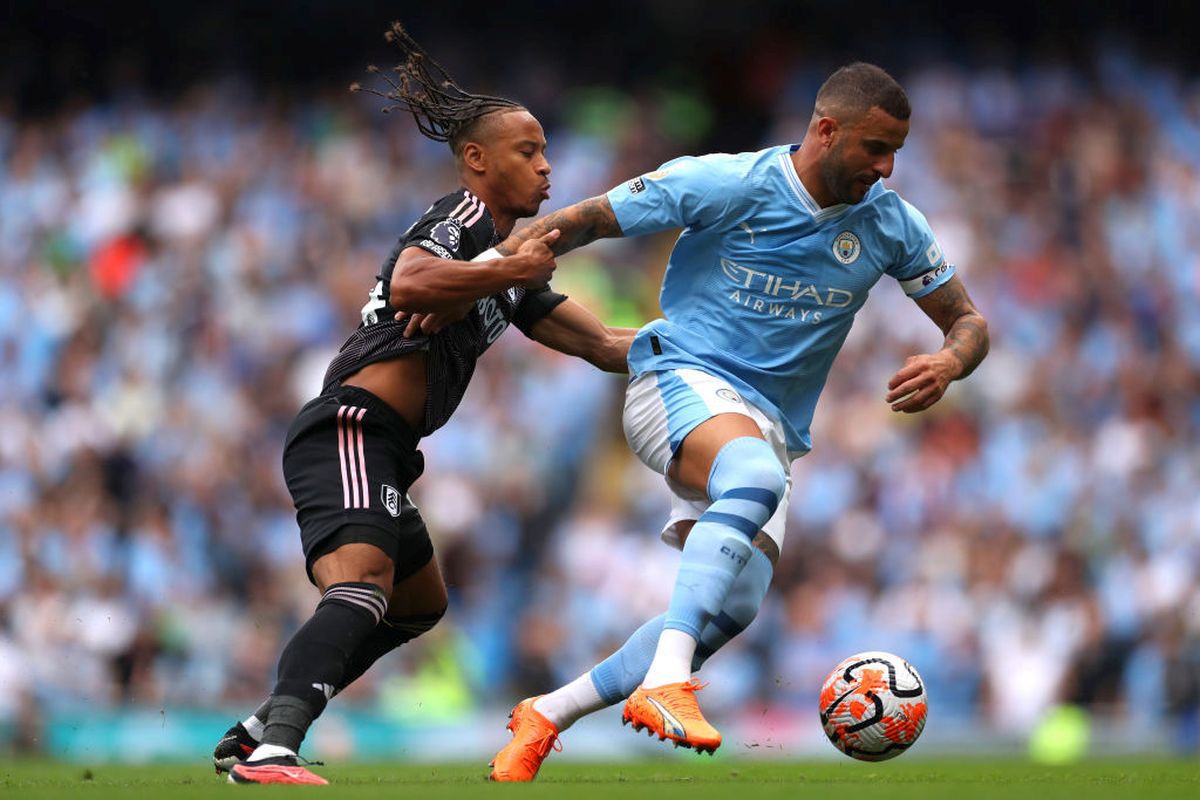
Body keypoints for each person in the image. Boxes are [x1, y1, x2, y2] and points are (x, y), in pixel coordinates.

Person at [486, 62, 990, 781]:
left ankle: (547, 713)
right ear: (826, 130)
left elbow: (968, 321)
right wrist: (481, 272)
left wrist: (950, 361)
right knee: (752, 477)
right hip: (677, 379)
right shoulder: (728, 182)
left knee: (734, 605)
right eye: (876, 148)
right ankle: (666, 683)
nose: (886, 168)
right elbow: (588, 218)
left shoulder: (891, 224)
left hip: (768, 425)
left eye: (896, 153)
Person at [212, 23, 635, 786]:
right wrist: (505, 269)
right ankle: (275, 750)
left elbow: (607, 345)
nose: (546, 166)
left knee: (417, 604)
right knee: (362, 584)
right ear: (477, 161)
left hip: (388, 447)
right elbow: (409, 282)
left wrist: (717, 354)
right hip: (351, 425)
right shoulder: (465, 219)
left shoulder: (507, 267)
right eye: (528, 151)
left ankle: (262, 724)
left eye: (545, 151)